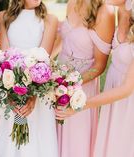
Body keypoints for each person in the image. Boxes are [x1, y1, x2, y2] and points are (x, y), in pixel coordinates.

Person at [56, 0, 134, 156]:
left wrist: (79, 99)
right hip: (110, 95)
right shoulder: (122, 13)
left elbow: (125, 87)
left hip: (125, 101)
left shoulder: (108, 12)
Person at [0, 0, 59, 156]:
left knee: (38, 141)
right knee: (11, 140)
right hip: (11, 88)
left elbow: (44, 60)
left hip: (38, 91)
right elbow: (5, 58)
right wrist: (12, 93)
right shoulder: (2, 17)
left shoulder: (50, 20)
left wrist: (32, 96)